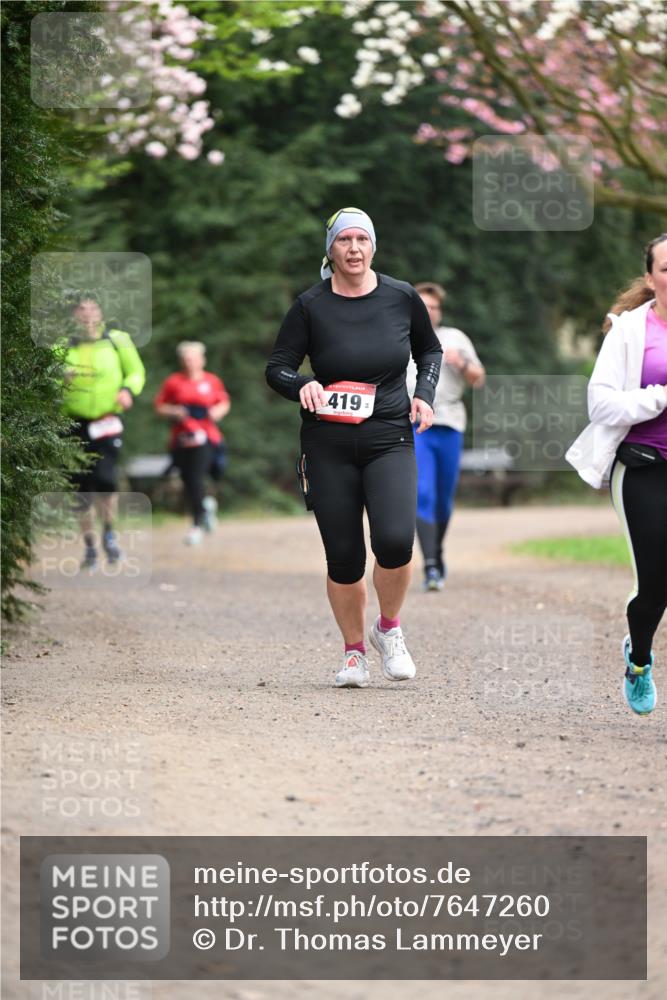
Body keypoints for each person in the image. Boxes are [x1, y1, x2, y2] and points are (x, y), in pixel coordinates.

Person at [265, 207, 442, 688]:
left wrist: (423, 395)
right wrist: (301, 385)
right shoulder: (310, 306)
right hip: (328, 443)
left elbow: (430, 350)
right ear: (331, 249)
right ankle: (353, 653)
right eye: (345, 240)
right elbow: (277, 367)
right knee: (343, 556)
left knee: (394, 540)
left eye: (363, 239)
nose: (354, 249)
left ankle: (389, 629)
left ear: (373, 246)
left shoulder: (401, 297)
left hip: (389, 436)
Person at [566, 233, 667, 716]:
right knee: (655, 586)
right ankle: (640, 659)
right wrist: (661, 395)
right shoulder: (629, 332)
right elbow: (600, 403)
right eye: (666, 267)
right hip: (644, 467)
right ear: (650, 278)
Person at [406, 282, 485, 591]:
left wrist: (461, 362)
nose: (430, 312)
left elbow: (479, 378)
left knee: (443, 499)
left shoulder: (454, 338)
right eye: (423, 306)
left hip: (449, 421)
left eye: (434, 307)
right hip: (414, 424)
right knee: (422, 492)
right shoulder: (401, 337)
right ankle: (429, 565)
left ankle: (436, 554)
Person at [61, 293, 145, 570]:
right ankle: (89, 547)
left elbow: (136, 372)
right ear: (74, 315)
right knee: (81, 488)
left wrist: (127, 390)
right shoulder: (63, 345)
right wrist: (60, 378)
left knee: (106, 480)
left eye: (92, 308)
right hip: (73, 423)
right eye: (81, 309)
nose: (87, 314)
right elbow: (45, 376)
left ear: (101, 312)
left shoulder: (117, 340)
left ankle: (109, 534)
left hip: (108, 421)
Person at [154, 341, 230, 545]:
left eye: (194, 358)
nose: (190, 362)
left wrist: (217, 412)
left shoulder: (212, 381)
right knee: (188, 481)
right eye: (186, 358)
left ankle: (196, 525)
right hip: (182, 437)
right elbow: (160, 406)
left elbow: (223, 402)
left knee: (197, 478)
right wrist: (175, 411)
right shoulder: (174, 382)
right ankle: (205, 506)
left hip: (205, 436)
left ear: (202, 360)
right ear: (181, 361)